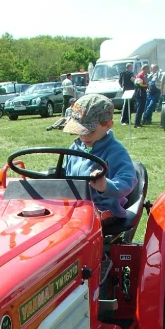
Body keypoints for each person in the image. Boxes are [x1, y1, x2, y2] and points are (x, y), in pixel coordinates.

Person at [63, 94, 136, 283]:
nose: (84, 136)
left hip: (105, 209)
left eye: (90, 131)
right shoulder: (76, 147)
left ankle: (99, 260)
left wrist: (105, 185)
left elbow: (127, 181)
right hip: (77, 206)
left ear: (108, 125)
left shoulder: (115, 151)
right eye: (80, 131)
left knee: (85, 225)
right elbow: (66, 173)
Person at [133, 63, 149, 128]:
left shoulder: (143, 75)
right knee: (140, 108)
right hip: (140, 93)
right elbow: (139, 84)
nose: (148, 70)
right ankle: (136, 123)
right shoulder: (140, 75)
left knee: (141, 108)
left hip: (142, 93)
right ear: (144, 69)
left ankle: (138, 122)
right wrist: (147, 86)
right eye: (147, 68)